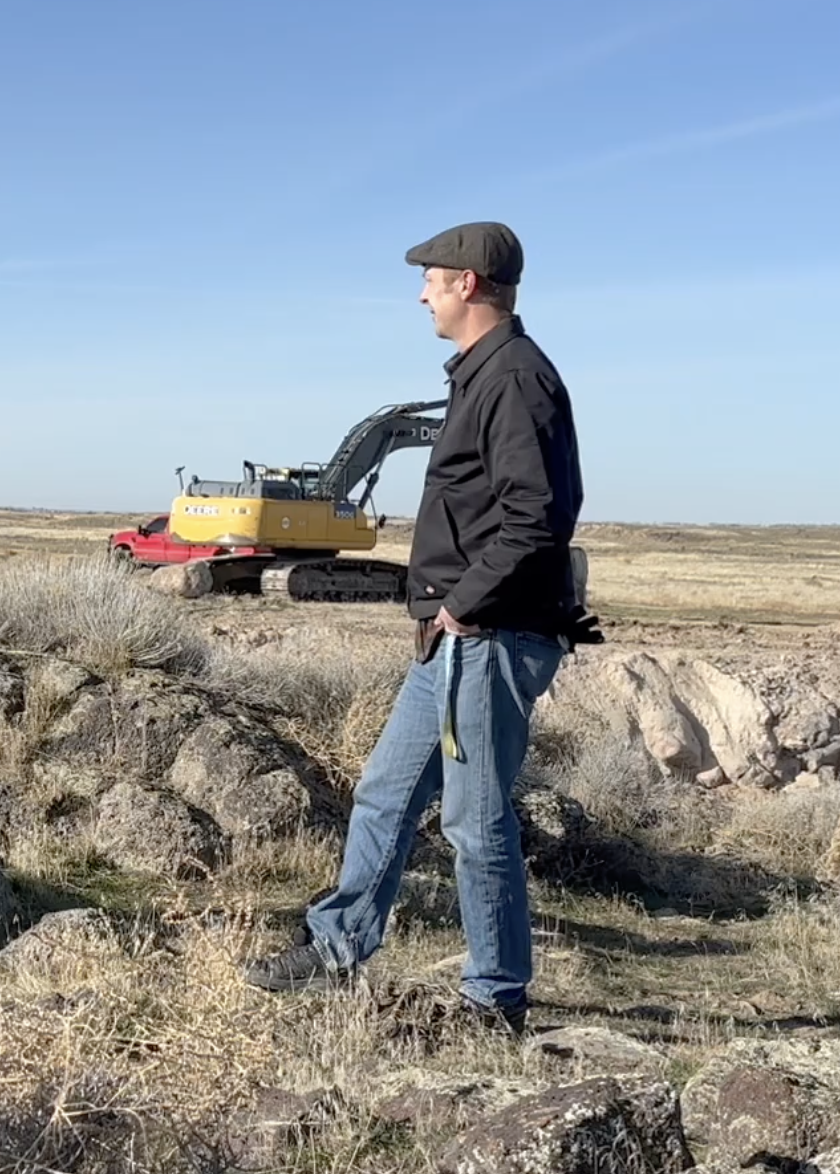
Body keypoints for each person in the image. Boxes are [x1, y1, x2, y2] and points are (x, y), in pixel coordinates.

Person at [241, 222, 599, 1033]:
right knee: (384, 794)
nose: (422, 294)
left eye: (432, 280)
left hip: (489, 634)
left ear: (470, 285)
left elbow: (538, 516)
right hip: (459, 634)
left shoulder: (515, 378)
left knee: (476, 821)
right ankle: (337, 948)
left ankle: (494, 997)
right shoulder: (482, 375)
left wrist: (464, 602)